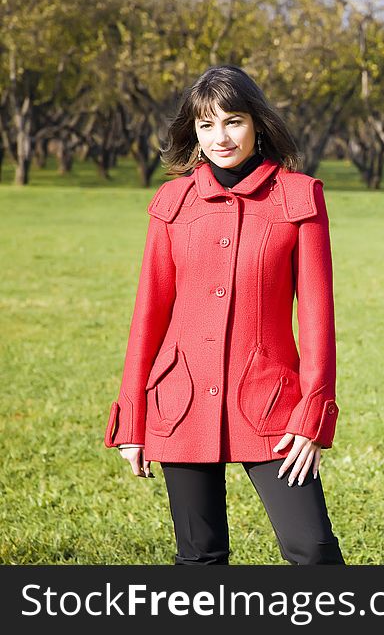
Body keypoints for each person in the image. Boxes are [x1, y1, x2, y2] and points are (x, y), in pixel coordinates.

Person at [103, 65, 345, 565]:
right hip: (180, 399)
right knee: (200, 558)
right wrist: (133, 417)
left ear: (256, 123)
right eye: (206, 125)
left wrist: (312, 413)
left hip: (271, 401)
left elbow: (318, 315)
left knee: (313, 550)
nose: (220, 137)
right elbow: (148, 315)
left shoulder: (298, 196)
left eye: (232, 121)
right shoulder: (172, 202)